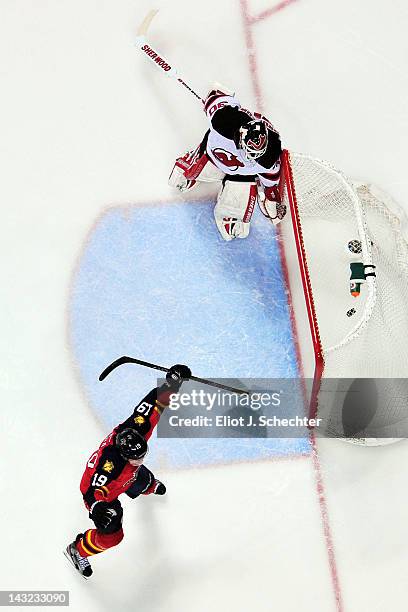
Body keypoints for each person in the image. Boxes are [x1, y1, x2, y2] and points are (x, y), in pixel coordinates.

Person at [64, 364, 191, 578]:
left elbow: (152, 405)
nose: (141, 459)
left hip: (124, 475)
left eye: (142, 455)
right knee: (112, 536)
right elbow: (92, 491)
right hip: (101, 493)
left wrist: (172, 384)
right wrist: (97, 508)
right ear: (123, 456)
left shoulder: (135, 429)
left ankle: (147, 486)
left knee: (140, 477)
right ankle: (77, 549)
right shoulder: (110, 467)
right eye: (137, 457)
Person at [169, 86, 286, 241]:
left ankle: (233, 195)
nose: (251, 157)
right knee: (186, 174)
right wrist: (217, 96)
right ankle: (195, 159)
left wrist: (271, 195)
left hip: (242, 174)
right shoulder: (223, 121)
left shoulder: (269, 155)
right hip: (213, 155)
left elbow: (271, 180)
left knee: (233, 218)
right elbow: (216, 99)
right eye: (250, 151)